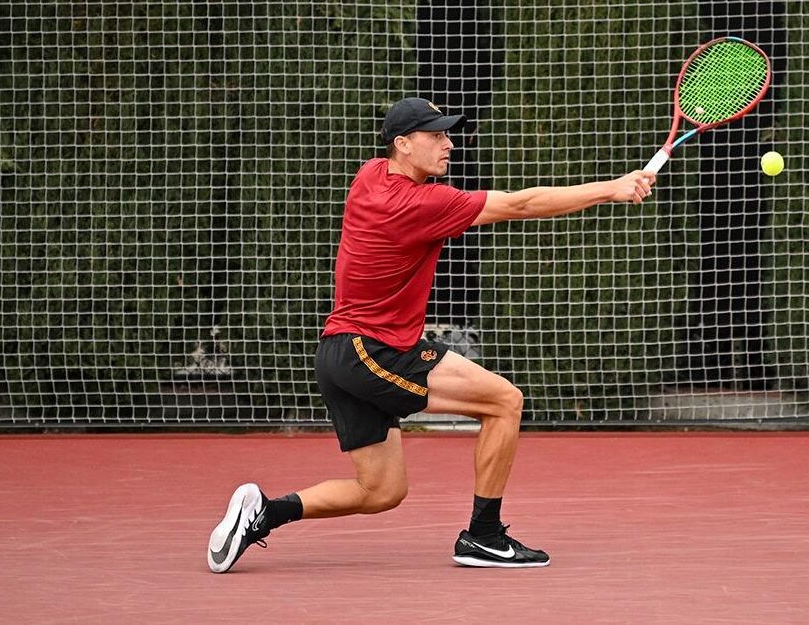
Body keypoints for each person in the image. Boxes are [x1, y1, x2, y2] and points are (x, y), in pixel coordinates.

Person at [207, 97, 655, 572]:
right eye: (436, 135)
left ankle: (263, 513)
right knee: (504, 402)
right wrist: (614, 188)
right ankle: (484, 536)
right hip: (373, 351)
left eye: (448, 133)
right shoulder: (419, 203)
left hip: (341, 352)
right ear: (402, 144)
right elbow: (521, 204)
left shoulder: (370, 175)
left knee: (380, 491)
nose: (450, 143)